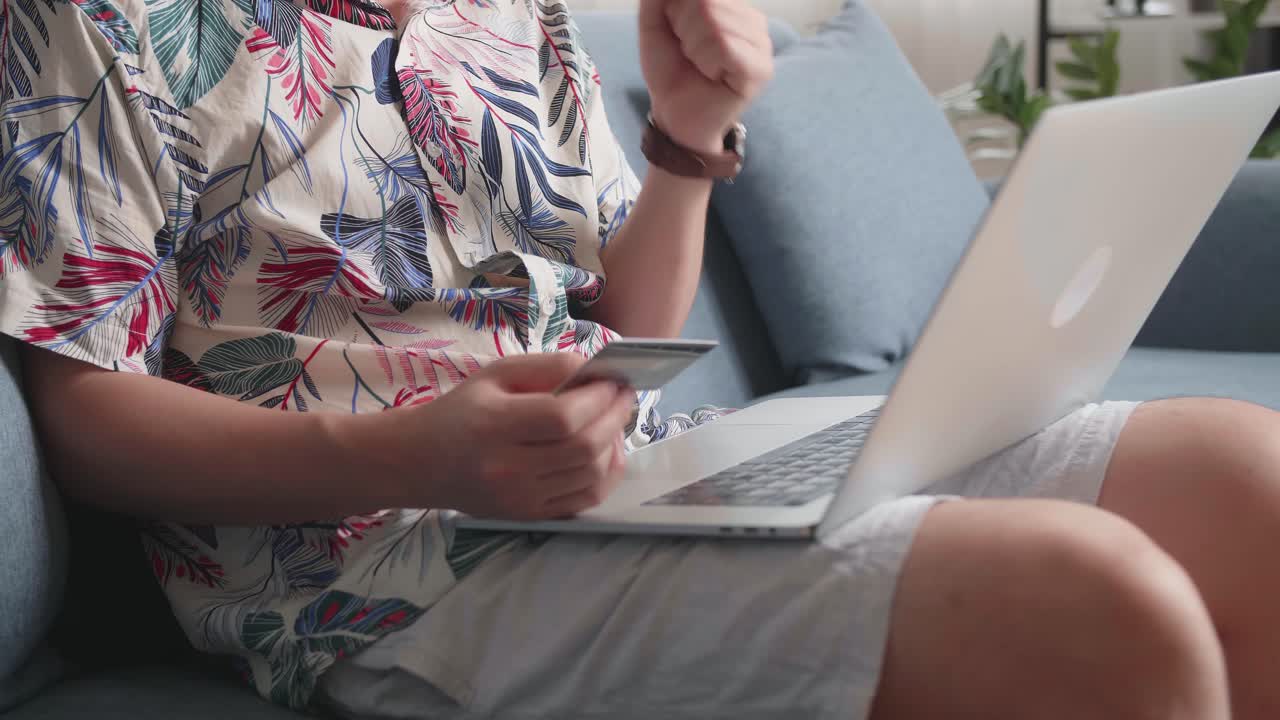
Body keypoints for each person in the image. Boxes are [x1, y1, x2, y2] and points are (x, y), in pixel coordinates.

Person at [6, 0, 1280, 717]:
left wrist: (688, 130)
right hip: (375, 571)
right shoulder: (102, 22)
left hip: (637, 472)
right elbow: (79, 412)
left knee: (1243, 478)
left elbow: (619, 317)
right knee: (1092, 597)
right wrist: (410, 454)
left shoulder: (509, 13)